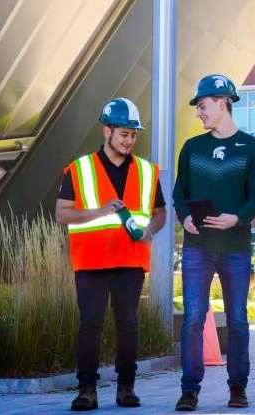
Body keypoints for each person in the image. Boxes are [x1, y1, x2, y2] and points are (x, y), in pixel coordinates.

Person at [55, 97, 167, 411]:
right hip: (90, 260)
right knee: (90, 324)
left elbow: (160, 212)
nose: (129, 140)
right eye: (124, 134)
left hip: (130, 260)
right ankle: (86, 390)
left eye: (134, 135)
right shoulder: (79, 169)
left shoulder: (147, 171)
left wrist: (151, 230)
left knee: (128, 324)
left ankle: (126, 388)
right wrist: (100, 211)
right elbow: (62, 214)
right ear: (107, 131)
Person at [172, 74, 255, 411]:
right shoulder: (192, 148)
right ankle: (189, 389)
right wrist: (184, 217)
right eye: (198, 107)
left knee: (239, 319)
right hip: (198, 248)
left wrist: (236, 218)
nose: (199, 112)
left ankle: (238, 387)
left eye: (202, 105)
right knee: (194, 317)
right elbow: (179, 195)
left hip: (236, 249)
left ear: (223, 102)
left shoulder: (253, 148)